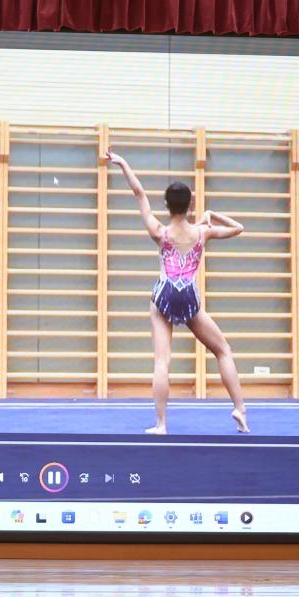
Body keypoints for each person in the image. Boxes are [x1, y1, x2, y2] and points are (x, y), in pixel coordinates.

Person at [105, 149, 249, 435]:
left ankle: (161, 424)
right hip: (190, 297)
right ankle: (240, 408)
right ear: (190, 204)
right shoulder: (203, 232)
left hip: (165, 294)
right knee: (222, 350)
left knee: (162, 360)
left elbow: (138, 193)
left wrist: (123, 163)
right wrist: (211, 216)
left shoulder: (160, 232)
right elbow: (238, 228)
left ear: (167, 205)